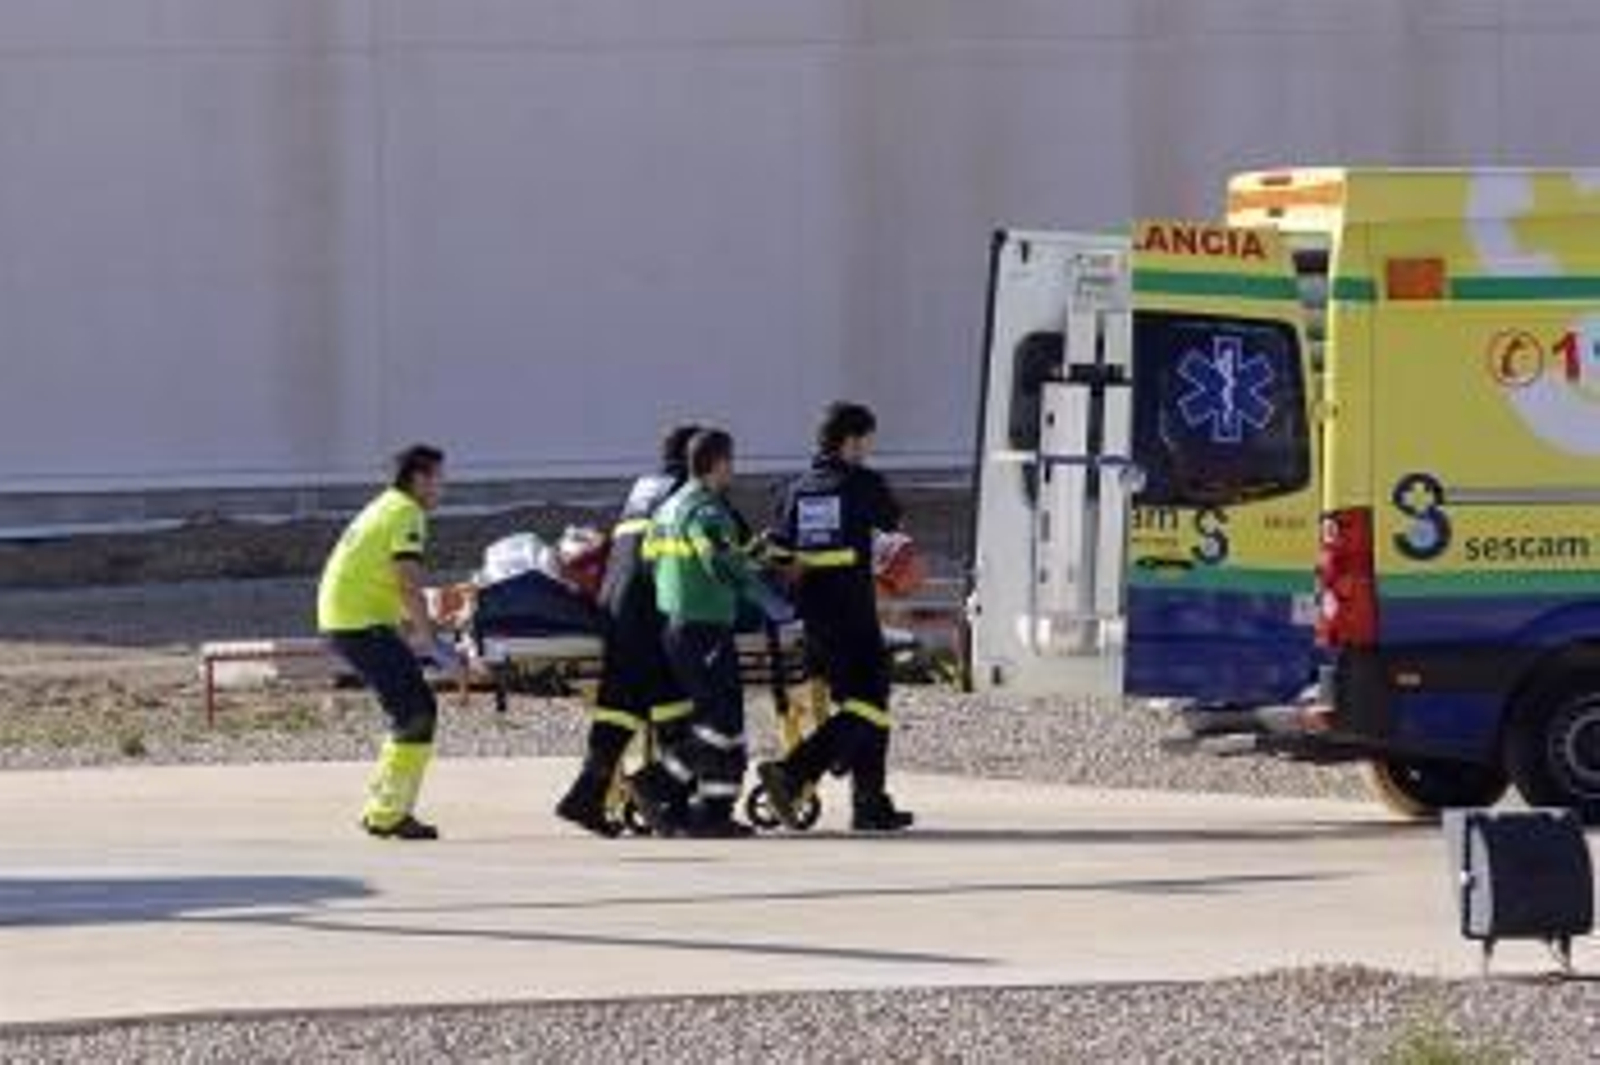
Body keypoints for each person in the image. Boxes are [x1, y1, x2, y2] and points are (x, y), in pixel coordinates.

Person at [757, 402, 915, 832]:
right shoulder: (862, 484)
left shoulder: (795, 489)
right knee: (870, 702)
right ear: (851, 440)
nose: (867, 449)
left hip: (813, 616)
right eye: (866, 441)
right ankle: (794, 772)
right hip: (853, 611)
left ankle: (870, 803)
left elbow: (778, 550)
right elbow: (893, 523)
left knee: (863, 704)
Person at [627, 428, 786, 838]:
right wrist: (766, 597)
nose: (733, 470)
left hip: (678, 625)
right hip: (704, 627)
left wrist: (749, 553)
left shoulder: (666, 510)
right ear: (718, 463)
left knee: (726, 724)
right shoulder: (707, 510)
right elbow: (717, 559)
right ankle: (657, 782)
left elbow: (649, 565)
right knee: (720, 724)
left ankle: (713, 813)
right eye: (731, 462)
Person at [554, 423, 701, 838]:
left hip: (615, 605)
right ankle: (667, 803)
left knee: (620, 707)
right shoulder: (689, 492)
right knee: (678, 706)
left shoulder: (642, 488)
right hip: (653, 608)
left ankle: (585, 796)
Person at [318, 444, 461, 841]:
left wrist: (423, 621)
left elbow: (387, 579)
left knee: (411, 709)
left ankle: (384, 809)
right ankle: (386, 814)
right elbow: (407, 579)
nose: (442, 489)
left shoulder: (386, 506)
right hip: (360, 624)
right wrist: (432, 642)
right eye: (438, 480)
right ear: (419, 479)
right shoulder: (406, 512)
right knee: (415, 712)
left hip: (353, 619)